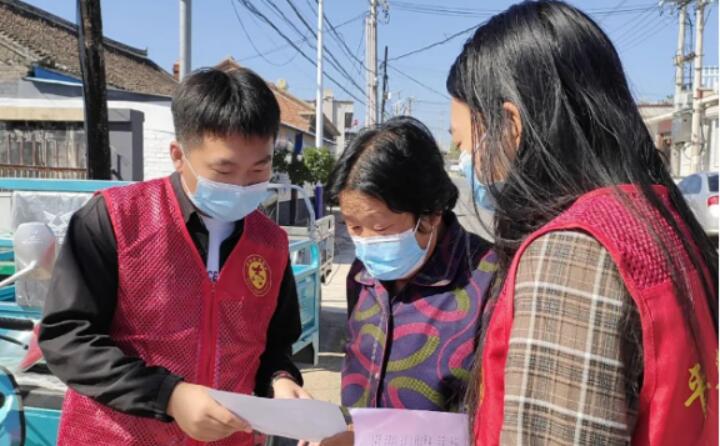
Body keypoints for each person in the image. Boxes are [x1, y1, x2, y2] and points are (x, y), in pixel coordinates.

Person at [447, 1, 718, 444]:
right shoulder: (660, 220)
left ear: (511, 124)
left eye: (465, 141)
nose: (468, 161)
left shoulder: (571, 253)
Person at [39, 67, 310, 446]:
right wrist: (170, 395)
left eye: (259, 169)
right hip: (116, 437)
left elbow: (275, 344)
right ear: (178, 155)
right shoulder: (115, 219)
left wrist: (281, 381)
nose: (242, 186)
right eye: (224, 170)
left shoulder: (271, 243)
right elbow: (67, 336)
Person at [321, 117, 498, 444]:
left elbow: (494, 416)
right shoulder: (361, 274)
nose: (365, 243)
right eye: (352, 226)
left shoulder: (489, 279)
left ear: (429, 215)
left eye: (379, 228)